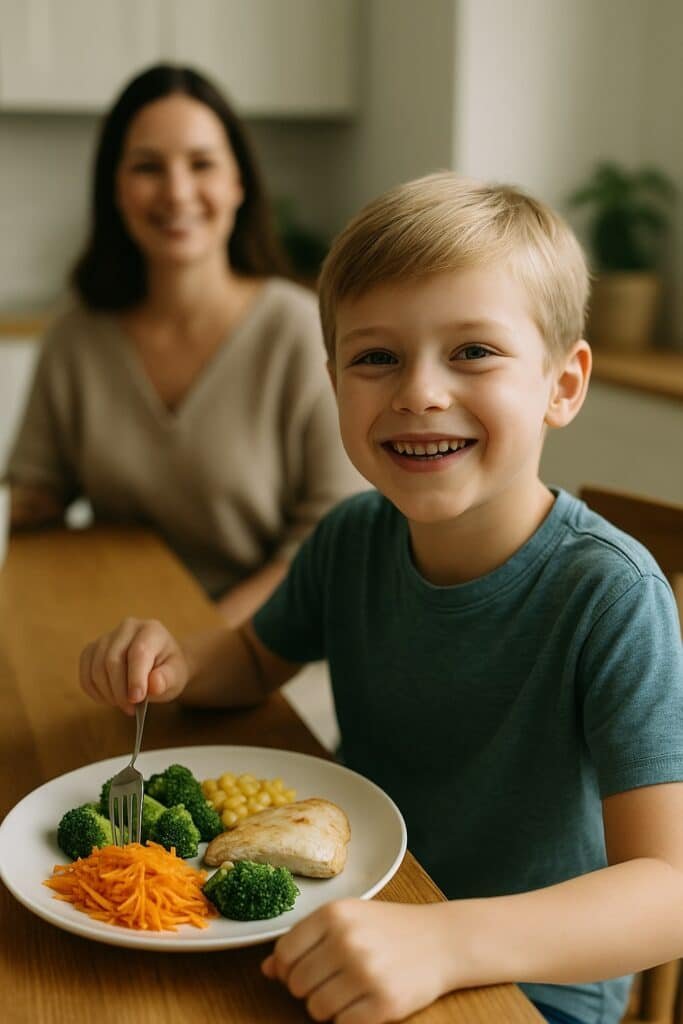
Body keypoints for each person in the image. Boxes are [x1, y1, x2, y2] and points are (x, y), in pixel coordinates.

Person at [77, 173, 683, 1024]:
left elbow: (666, 893)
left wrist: (445, 942)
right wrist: (171, 664)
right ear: (334, 381)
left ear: (562, 384)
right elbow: (252, 659)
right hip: (345, 918)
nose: (417, 392)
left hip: (526, 985)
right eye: (376, 358)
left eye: (472, 351)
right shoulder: (352, 536)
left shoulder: (610, 596)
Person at [5, 63, 361, 626]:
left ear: (238, 183)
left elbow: (329, 539)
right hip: (116, 632)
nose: (176, 192)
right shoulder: (77, 334)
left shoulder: (299, 330)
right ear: (115, 189)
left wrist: (201, 644)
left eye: (202, 164)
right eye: (148, 166)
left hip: (269, 644)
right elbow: (36, 495)